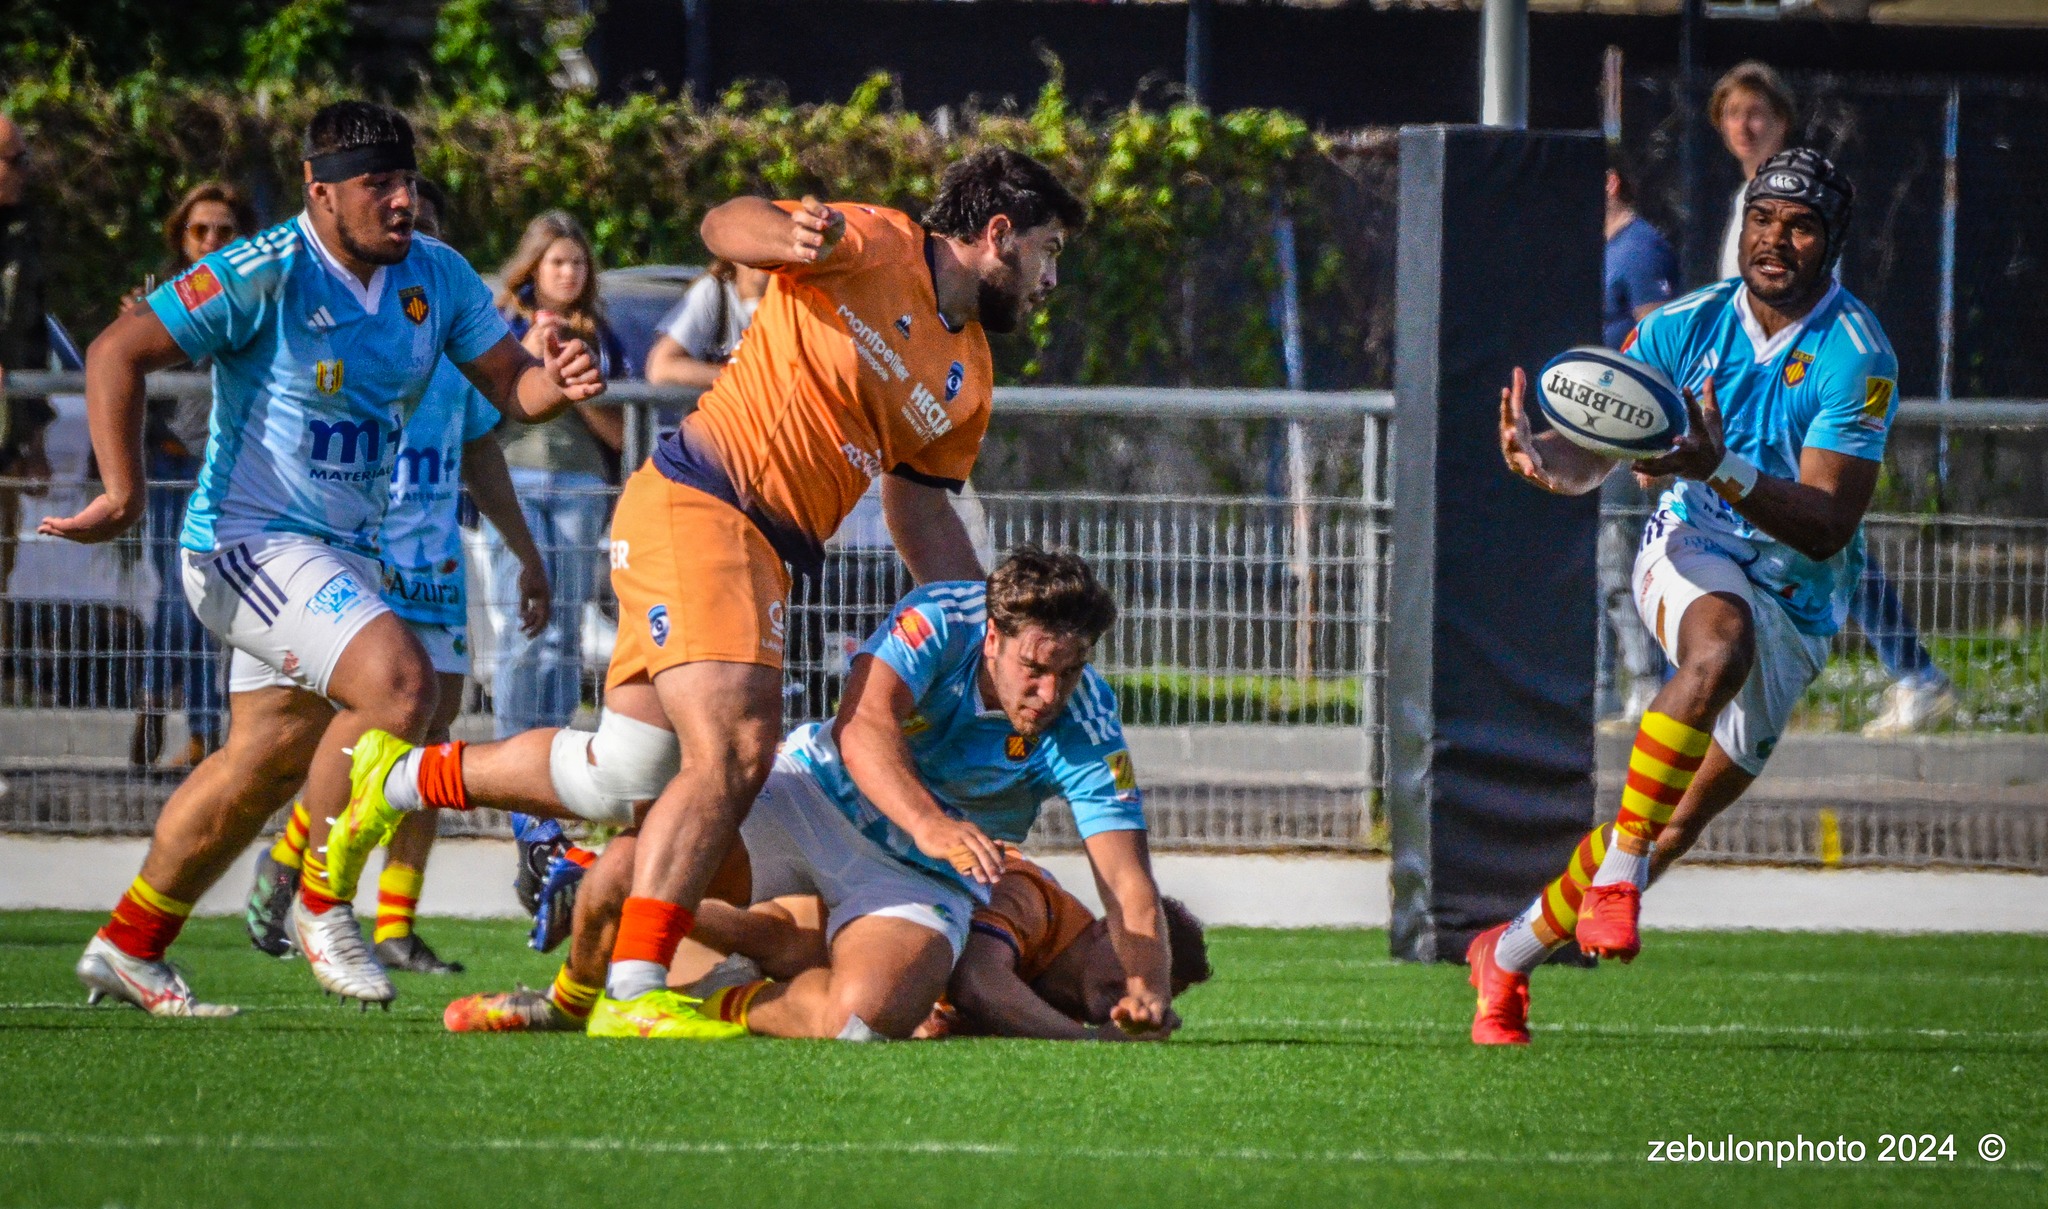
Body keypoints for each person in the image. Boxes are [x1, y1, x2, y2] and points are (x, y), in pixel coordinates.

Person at [349, 147, 1086, 1038]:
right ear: (998, 235)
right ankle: (631, 992)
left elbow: (921, 512)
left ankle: (402, 773)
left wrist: (982, 636)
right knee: (739, 743)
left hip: (758, 546)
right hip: (709, 501)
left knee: (622, 770)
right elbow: (722, 225)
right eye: (1050, 250)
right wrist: (784, 231)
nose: (1053, 277)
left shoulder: (968, 373)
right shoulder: (875, 239)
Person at [40, 100, 604, 1016]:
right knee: (402, 689)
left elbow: (512, 388)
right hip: (245, 544)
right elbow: (117, 350)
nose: (398, 202)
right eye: (377, 185)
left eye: (407, 183)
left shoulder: (439, 274)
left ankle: (130, 942)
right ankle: (323, 902)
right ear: (321, 193)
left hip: (339, 558)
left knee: (260, 763)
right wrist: (123, 493)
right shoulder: (268, 268)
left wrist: (560, 380)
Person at [1481, 149, 1897, 1045]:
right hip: (1693, 544)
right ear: (1741, 223)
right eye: (1762, 218)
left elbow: (1825, 523)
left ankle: (1506, 956)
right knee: (1719, 644)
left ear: (1831, 243)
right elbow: (1598, 448)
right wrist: (1548, 459)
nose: (1774, 239)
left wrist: (1723, 464)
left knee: (1666, 828)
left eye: (1800, 225)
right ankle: (1619, 872)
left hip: (1799, 591)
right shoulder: (1683, 323)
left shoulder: (1857, 356)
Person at [443, 550, 1182, 1043]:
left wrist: (1146, 986)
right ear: (993, 637)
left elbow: (1127, 882)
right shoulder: (940, 618)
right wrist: (931, 821)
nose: (1050, 693)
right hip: (813, 794)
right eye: (1036, 668)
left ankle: (710, 1001)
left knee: (864, 1015)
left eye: (1070, 671)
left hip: (921, 874)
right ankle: (568, 998)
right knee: (620, 871)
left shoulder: (1087, 720)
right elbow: (862, 728)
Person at [242, 180, 553, 975]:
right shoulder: (352, 342)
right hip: (362, 559)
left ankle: (394, 922)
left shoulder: (459, 355)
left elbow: (482, 452)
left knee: (429, 738)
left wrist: (524, 550)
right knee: (362, 726)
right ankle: (297, 854)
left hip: (436, 565)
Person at [1708, 62, 1952, 732]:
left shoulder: (1803, 204)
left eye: (1757, 112)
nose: (1744, 125)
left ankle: (1915, 673)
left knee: (1826, 535)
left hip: (1795, 395)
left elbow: (1796, 309)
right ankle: (1911, 672)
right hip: (1753, 394)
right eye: (1733, 114)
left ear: (1782, 121)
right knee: (1809, 538)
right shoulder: (1746, 203)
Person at [126, 182, 260, 769]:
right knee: (182, 599)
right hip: (168, 461)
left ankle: (173, 709)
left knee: (204, 603)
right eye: (198, 231)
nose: (210, 242)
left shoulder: (258, 296)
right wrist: (137, 325)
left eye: (224, 232)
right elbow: (123, 365)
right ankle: (186, 719)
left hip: (227, 466)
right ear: (180, 238)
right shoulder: (159, 298)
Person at [483, 211, 630, 742]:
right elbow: (483, 405)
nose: (569, 274)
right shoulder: (498, 323)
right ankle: (510, 754)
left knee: (566, 630)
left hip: (580, 483)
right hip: (511, 480)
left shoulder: (603, 336)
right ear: (533, 268)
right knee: (523, 630)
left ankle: (556, 755)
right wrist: (530, 353)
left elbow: (621, 434)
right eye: (557, 262)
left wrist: (573, 375)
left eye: (578, 264)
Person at [1598, 153, 1678, 728]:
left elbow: (1661, 340)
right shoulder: (1599, 249)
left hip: (1628, 432)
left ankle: (1650, 684)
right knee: (1602, 564)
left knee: (1620, 558)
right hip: (1594, 431)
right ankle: (1609, 687)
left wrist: (1648, 435)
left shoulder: (1641, 246)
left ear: (1609, 183)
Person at [0, 113, 56, 665]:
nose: (23, 171)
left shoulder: (22, 237)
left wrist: (33, 438)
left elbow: (32, 337)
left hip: (3, 443)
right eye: (13, 160)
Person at [643, 257, 769, 387]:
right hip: (709, 404)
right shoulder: (716, 293)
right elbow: (661, 368)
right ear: (733, 254)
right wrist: (745, 380)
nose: (763, 258)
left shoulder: (788, 302)